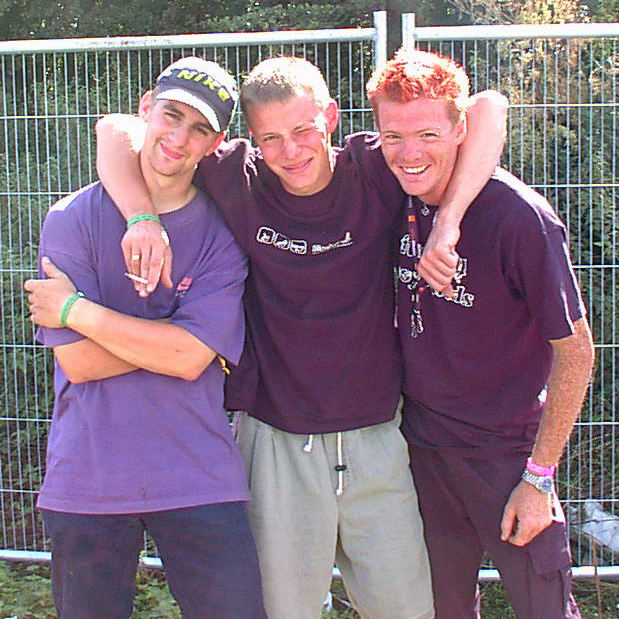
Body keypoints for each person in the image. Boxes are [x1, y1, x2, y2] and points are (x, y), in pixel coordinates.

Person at [95, 55, 507, 619]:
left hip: (378, 438)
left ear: (331, 118)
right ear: (250, 139)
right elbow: (115, 129)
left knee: (410, 607)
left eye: (302, 130)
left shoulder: (372, 168)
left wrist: (450, 221)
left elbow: (489, 108)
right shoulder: (237, 176)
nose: (290, 151)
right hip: (275, 439)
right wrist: (141, 218)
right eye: (270, 138)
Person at [24, 57, 266, 619]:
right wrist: (174, 339)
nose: (178, 138)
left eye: (199, 128)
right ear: (144, 110)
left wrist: (73, 309)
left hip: (200, 476)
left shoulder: (222, 231)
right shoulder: (72, 218)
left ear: (217, 143)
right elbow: (80, 364)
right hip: (89, 477)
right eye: (171, 115)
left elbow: (187, 360)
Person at [366, 48, 595, 619]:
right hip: (421, 448)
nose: (409, 153)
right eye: (392, 137)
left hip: (506, 455)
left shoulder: (519, 218)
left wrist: (539, 479)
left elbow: (577, 353)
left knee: (544, 607)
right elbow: (489, 107)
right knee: (441, 608)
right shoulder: (393, 191)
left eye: (426, 134)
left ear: (459, 130)